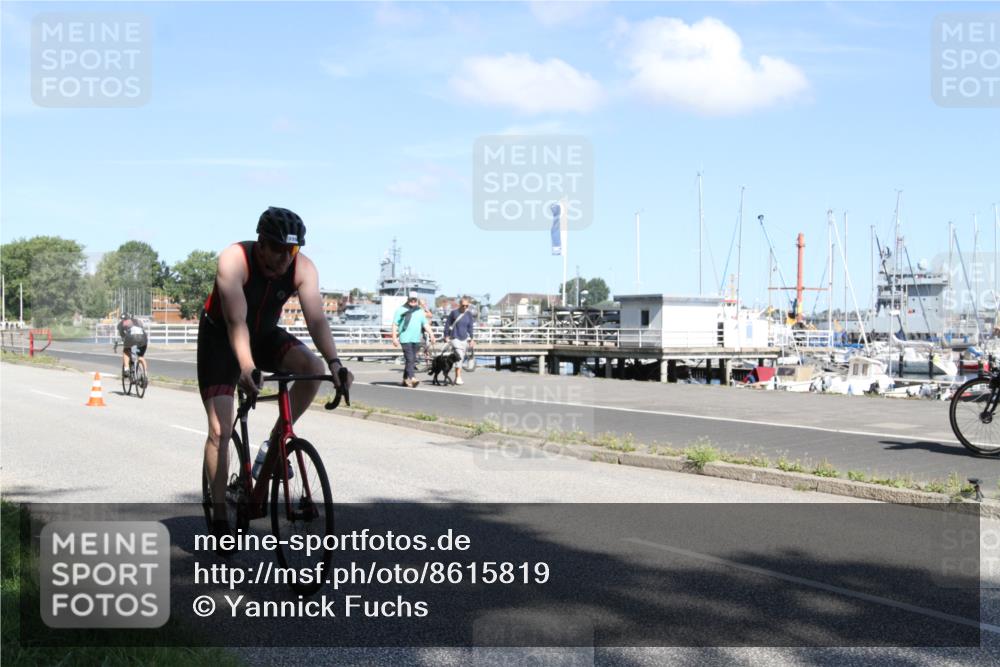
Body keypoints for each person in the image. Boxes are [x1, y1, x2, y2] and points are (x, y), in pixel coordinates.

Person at [197, 206, 351, 542]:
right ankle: (221, 514)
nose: (285, 258)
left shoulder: (303, 268)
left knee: (313, 367)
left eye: (292, 250)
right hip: (221, 338)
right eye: (278, 249)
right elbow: (236, 322)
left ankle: (274, 446)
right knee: (220, 430)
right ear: (261, 243)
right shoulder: (234, 260)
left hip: (264, 334)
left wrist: (337, 363)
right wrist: (247, 367)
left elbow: (316, 319)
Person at [391, 293, 434, 387]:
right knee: (410, 359)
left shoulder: (419, 311)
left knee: (411, 359)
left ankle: (405, 380)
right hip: (405, 338)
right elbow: (395, 324)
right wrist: (394, 337)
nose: (413, 301)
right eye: (411, 299)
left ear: (417, 300)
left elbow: (425, 324)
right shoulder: (400, 310)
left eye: (415, 299)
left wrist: (431, 334)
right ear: (408, 299)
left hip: (416, 339)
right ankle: (412, 378)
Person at [443, 296, 475, 385]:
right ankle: (458, 377)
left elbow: (470, 327)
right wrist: (446, 335)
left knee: (461, 356)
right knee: (459, 356)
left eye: (467, 306)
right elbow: (447, 325)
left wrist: (472, 338)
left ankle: (452, 373)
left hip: (464, 338)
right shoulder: (454, 313)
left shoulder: (469, 314)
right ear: (459, 304)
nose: (465, 307)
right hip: (455, 337)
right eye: (463, 305)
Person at [117, 313, 149, 382]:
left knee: (126, 351)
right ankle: (145, 375)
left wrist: (123, 342)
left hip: (131, 338)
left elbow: (123, 336)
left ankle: (126, 369)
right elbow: (142, 329)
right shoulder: (138, 321)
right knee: (141, 356)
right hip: (143, 338)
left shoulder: (121, 324)